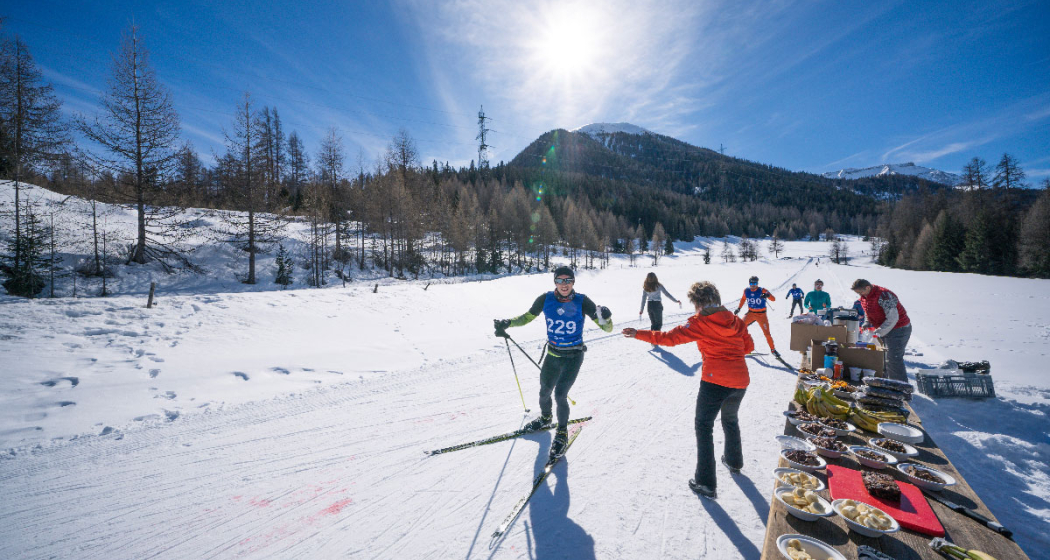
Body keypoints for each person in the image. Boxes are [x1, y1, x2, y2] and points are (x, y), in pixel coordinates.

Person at [622, 281, 754, 499]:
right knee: (730, 419)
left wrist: (639, 333)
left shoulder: (699, 323)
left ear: (698, 303)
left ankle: (706, 483)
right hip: (740, 380)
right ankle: (734, 461)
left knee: (704, 426)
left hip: (714, 381)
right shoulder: (736, 321)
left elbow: (669, 339)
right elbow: (748, 347)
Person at [494, 266, 614, 459]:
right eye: (560, 280)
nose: (564, 284)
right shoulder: (545, 299)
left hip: (573, 357)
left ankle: (561, 432)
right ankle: (545, 418)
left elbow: (607, 328)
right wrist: (508, 323)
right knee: (544, 391)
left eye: (568, 280)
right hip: (553, 355)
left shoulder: (583, 301)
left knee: (560, 395)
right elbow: (526, 317)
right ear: (555, 282)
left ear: (573, 282)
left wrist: (606, 318)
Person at [851, 279, 911, 382]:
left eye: (861, 292)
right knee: (881, 357)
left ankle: (901, 387)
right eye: (858, 293)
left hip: (899, 329)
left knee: (893, 358)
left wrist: (879, 332)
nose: (860, 295)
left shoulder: (884, 296)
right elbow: (868, 311)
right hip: (884, 329)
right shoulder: (865, 297)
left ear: (868, 287)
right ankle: (886, 383)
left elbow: (893, 318)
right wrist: (867, 322)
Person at [734, 275, 779, 357]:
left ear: (757, 283)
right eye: (751, 283)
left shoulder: (762, 290)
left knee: (767, 333)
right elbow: (743, 299)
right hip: (751, 313)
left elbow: (773, 299)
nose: (753, 285)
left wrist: (767, 295)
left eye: (755, 283)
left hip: (761, 315)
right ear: (749, 283)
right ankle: (744, 347)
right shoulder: (746, 291)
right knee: (740, 328)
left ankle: (773, 350)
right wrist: (739, 308)